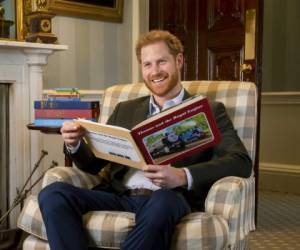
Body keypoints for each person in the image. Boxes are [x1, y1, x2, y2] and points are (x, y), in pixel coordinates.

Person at [38, 30, 252, 250]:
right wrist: (74, 144)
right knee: (53, 193)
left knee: (163, 202)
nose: (155, 71)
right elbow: (93, 165)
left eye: (162, 62)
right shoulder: (125, 110)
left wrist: (182, 176)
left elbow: (241, 161)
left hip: (168, 198)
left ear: (178, 61)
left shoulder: (209, 111)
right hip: (119, 194)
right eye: (147, 64)